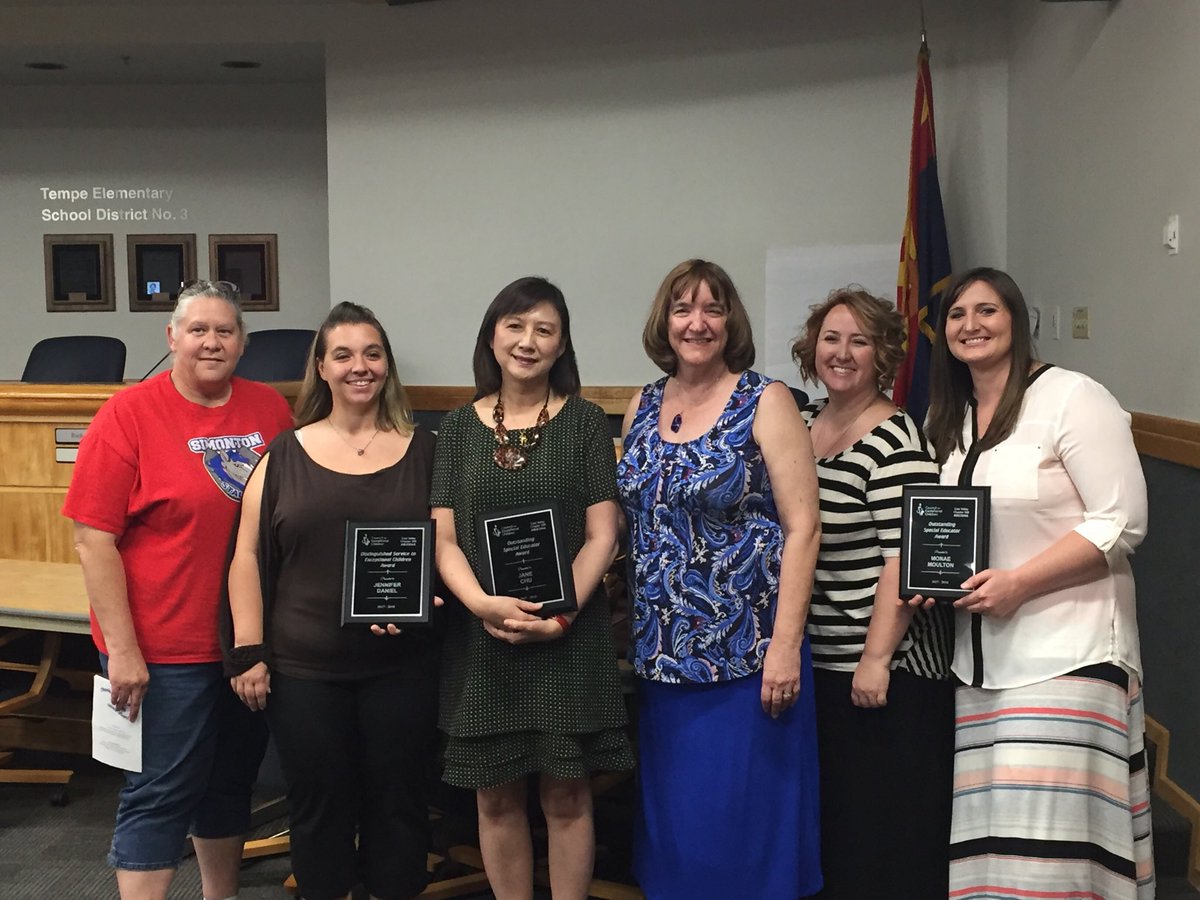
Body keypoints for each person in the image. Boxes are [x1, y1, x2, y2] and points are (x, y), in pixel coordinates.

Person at [920, 267, 1153, 898]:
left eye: (987, 310)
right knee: (996, 849)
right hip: (980, 668)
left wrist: (1020, 583)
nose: (971, 325)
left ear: (1018, 321)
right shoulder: (950, 417)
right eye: (957, 314)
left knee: (1050, 854)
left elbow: (1122, 521)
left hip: (1066, 655)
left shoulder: (1073, 397)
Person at [62, 280, 294, 900]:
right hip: (162, 651)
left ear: (243, 342)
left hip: (244, 645)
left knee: (230, 786)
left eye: (225, 331)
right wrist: (123, 651)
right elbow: (93, 542)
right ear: (172, 339)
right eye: (198, 330)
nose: (211, 342)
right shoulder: (127, 414)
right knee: (159, 791)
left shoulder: (270, 410)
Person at [616, 259, 823, 899]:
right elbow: (629, 523)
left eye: (712, 309)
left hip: (748, 660)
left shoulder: (766, 400)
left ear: (731, 321)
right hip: (662, 658)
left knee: (741, 830)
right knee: (678, 834)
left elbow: (804, 528)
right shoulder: (643, 404)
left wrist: (785, 646)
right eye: (683, 309)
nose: (697, 323)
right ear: (665, 321)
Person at [223, 302, 439, 900]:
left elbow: (449, 548)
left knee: (400, 806)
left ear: (387, 365)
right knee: (319, 808)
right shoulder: (282, 454)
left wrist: (429, 598)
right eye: (342, 355)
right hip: (304, 671)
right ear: (321, 367)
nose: (358, 366)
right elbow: (246, 556)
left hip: (403, 667)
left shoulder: (429, 450)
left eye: (372, 353)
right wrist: (248, 650)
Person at [431, 276, 633, 900]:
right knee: (494, 795)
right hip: (483, 636)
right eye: (515, 326)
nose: (528, 341)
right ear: (492, 337)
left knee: (567, 793)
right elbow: (444, 540)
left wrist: (559, 616)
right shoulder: (456, 429)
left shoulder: (586, 424)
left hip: (567, 636)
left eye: (544, 330)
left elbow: (603, 535)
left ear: (561, 344)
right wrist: (482, 605)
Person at [791, 287, 953, 899]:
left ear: (882, 354)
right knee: (839, 822)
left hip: (888, 668)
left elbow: (905, 559)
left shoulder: (896, 441)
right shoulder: (805, 423)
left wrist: (876, 659)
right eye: (830, 338)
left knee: (882, 831)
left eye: (859, 341)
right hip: (824, 659)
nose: (842, 352)